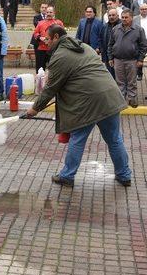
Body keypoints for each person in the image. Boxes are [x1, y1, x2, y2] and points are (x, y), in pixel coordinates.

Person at [25, 24, 132, 188]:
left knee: (77, 139)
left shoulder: (60, 56)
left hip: (88, 102)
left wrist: (35, 108)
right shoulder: (83, 46)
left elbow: (50, 89)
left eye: (47, 38)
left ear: (56, 37)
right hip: (110, 96)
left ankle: (67, 176)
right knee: (115, 139)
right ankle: (124, 176)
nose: (45, 42)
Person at [107, 9, 146, 108]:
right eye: (122, 17)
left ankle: (132, 99)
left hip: (132, 60)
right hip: (118, 60)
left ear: (131, 18)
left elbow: (143, 46)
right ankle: (121, 100)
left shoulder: (139, 30)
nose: (124, 19)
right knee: (119, 81)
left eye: (126, 17)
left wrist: (140, 59)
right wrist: (110, 58)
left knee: (131, 81)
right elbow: (110, 44)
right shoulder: (115, 29)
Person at [33, 6, 64, 71]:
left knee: (54, 68)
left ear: (54, 13)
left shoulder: (58, 23)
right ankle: (40, 80)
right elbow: (35, 33)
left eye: (50, 12)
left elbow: (63, 35)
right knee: (40, 69)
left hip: (54, 49)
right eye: (47, 12)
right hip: (41, 49)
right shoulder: (40, 23)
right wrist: (40, 38)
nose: (49, 14)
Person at [101, 8, 120, 78]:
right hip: (107, 57)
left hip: (118, 57)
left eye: (113, 15)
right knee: (110, 76)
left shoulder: (122, 26)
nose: (111, 17)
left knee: (119, 77)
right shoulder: (105, 26)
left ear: (117, 16)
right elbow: (102, 39)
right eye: (110, 15)